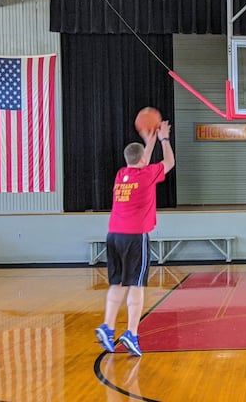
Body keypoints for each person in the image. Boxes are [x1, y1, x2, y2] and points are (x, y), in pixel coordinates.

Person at [96, 116, 175, 356]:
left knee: (117, 283)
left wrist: (148, 142)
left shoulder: (122, 174)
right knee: (137, 286)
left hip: (113, 236)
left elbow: (142, 160)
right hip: (134, 237)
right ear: (142, 159)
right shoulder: (147, 175)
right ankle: (131, 333)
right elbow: (169, 162)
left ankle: (107, 328)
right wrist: (163, 139)